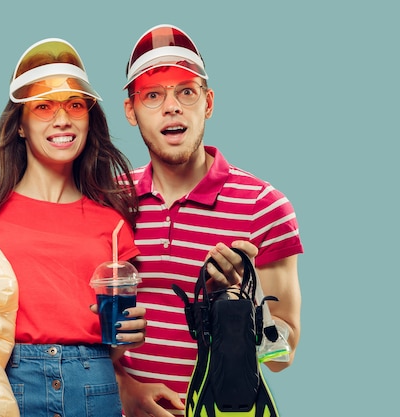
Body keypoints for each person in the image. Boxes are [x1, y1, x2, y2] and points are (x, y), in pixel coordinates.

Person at [0, 38, 146, 417]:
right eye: (43, 107)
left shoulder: (113, 225)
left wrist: (126, 338)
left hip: (93, 384)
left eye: (75, 105)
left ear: (88, 119)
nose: (62, 119)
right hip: (8, 382)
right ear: (20, 125)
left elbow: (112, 348)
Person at [113, 24, 304, 416]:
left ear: (208, 103)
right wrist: (124, 391)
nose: (172, 106)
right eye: (153, 95)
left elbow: (283, 353)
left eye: (186, 91)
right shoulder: (108, 199)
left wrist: (244, 299)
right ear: (130, 111)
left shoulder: (265, 206)